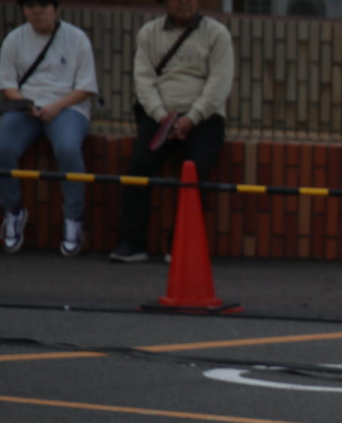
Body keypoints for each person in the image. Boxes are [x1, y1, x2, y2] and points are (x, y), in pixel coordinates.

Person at [109, 0, 233, 263]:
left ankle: (180, 243)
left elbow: (219, 83)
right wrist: (161, 116)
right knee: (139, 167)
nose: (184, 3)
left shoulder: (217, 33)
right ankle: (132, 243)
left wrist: (192, 117)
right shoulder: (148, 33)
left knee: (195, 167)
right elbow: (143, 81)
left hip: (205, 117)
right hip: (160, 114)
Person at [0, 0, 98, 256]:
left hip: (68, 108)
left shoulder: (77, 38)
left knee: (67, 149)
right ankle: (12, 211)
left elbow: (85, 87)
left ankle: (73, 218)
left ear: (55, 8)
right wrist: (24, 103)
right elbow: (7, 84)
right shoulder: (13, 39)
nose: (36, 11)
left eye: (43, 5)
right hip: (26, 109)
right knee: (2, 147)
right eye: (30, 6)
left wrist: (56, 107)